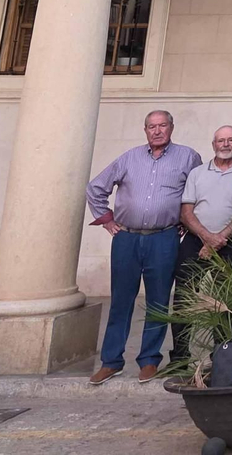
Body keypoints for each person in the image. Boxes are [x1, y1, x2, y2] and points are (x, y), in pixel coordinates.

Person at [86, 110, 201, 385]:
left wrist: (188, 220)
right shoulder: (129, 157)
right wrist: (107, 220)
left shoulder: (188, 157)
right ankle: (111, 362)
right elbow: (95, 188)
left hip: (164, 238)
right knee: (121, 301)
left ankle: (149, 361)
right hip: (126, 238)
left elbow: (199, 191)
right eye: (152, 126)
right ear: (145, 130)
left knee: (158, 301)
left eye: (162, 125)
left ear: (171, 127)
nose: (157, 131)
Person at [170, 124, 232, 366]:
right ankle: (180, 358)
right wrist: (207, 237)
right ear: (213, 144)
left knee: (226, 301)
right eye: (221, 140)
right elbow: (186, 210)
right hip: (196, 241)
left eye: (231, 140)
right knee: (184, 299)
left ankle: (222, 357)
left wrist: (219, 238)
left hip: (230, 242)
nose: (226, 144)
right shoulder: (198, 173)